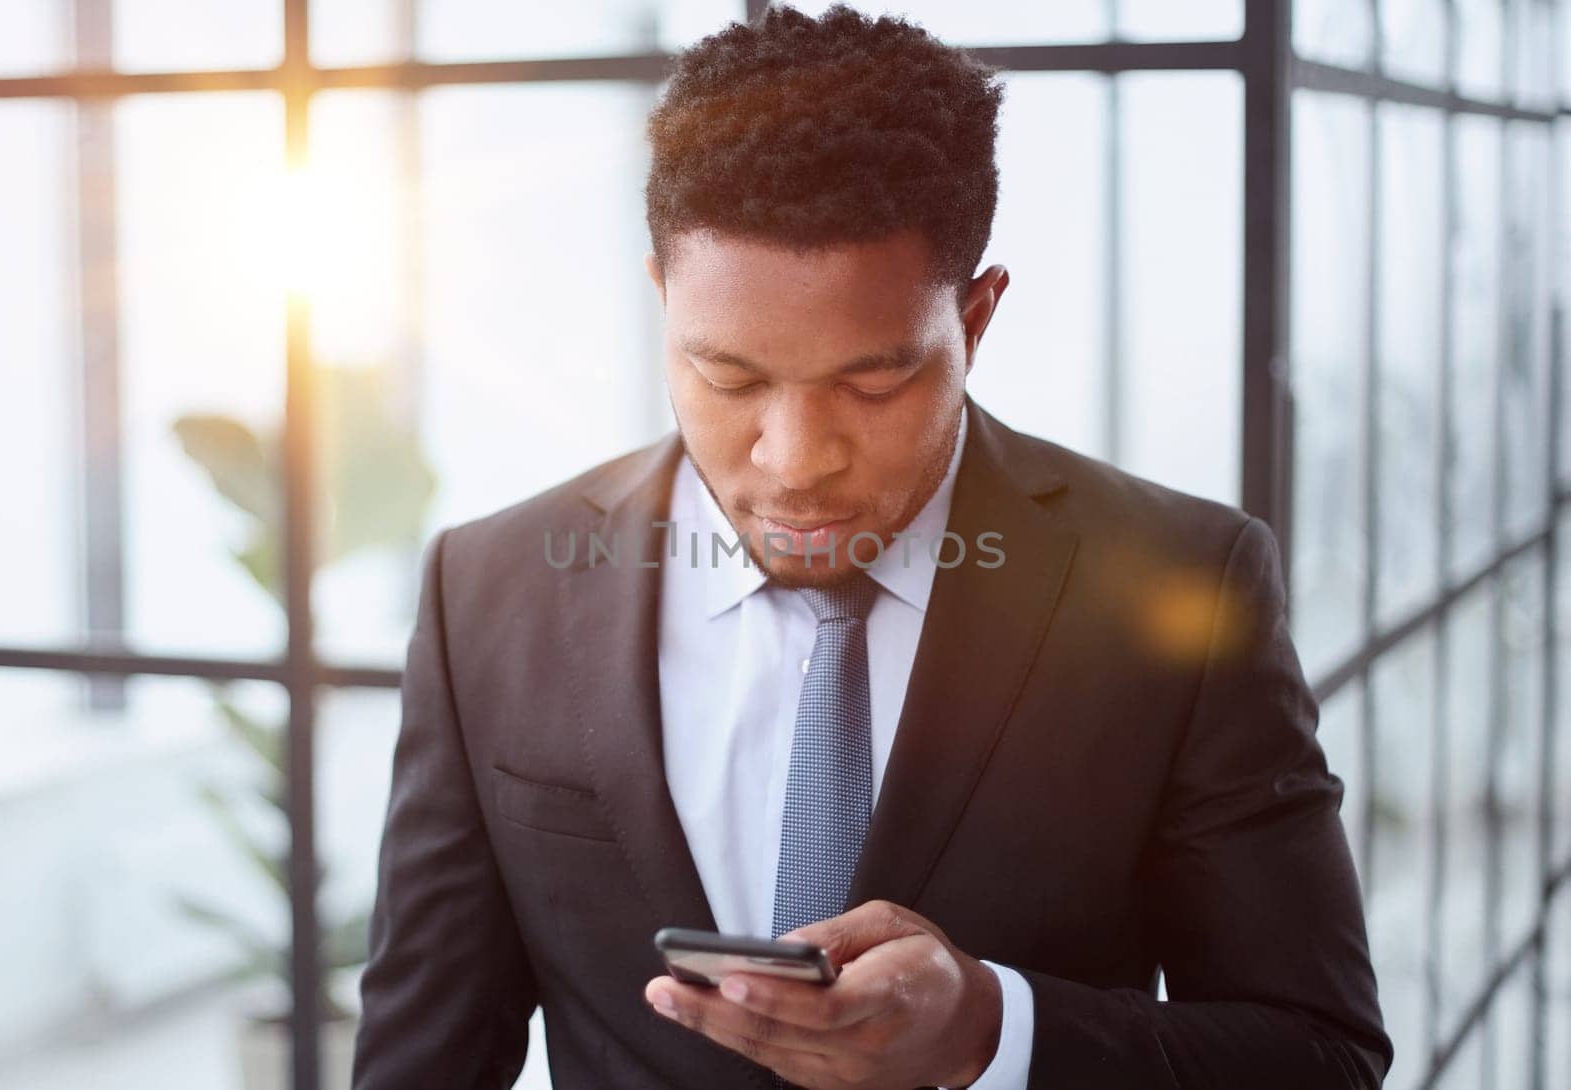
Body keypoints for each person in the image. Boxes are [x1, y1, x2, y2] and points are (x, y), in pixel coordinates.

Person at [350, 4, 1391, 1088]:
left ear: (975, 319)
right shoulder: (486, 593)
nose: (795, 460)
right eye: (730, 376)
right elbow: (419, 1060)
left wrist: (992, 1029)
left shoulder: (1186, 581)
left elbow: (1321, 1054)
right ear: (661, 298)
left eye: (874, 379)